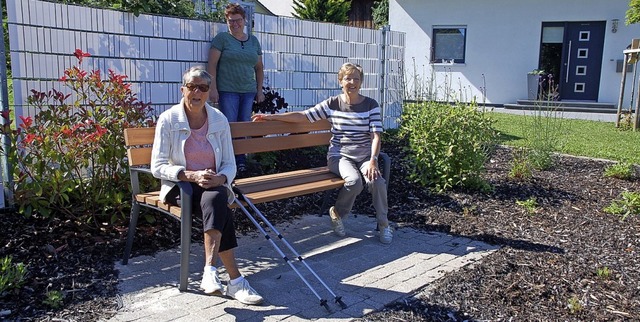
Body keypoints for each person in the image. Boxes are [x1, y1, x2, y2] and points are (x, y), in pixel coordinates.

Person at [151, 66, 263, 305]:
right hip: (181, 185)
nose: (197, 92)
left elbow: (229, 165)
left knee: (216, 198)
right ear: (183, 90)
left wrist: (221, 179)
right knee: (219, 204)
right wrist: (191, 175)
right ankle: (234, 281)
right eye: (192, 87)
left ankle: (211, 272)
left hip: (212, 185)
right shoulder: (169, 119)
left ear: (209, 92)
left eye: (203, 88)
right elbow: (157, 166)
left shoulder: (218, 119)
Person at [251, 62, 392, 244]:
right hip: (339, 156)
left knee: (377, 181)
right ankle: (338, 214)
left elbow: (375, 136)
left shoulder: (371, 105)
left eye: (356, 79)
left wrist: (373, 160)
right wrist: (272, 116)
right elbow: (304, 116)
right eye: (348, 78)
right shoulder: (332, 103)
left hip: (365, 157)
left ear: (361, 82)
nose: (352, 82)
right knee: (354, 182)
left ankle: (384, 224)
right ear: (340, 81)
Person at [207, 2, 264, 172]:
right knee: (229, 126)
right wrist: (213, 88)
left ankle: (241, 161)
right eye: (231, 21)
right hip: (228, 90)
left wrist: (259, 90)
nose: (235, 24)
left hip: (248, 91)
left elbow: (259, 67)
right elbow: (211, 65)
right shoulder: (222, 39)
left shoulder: (253, 41)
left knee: (244, 126)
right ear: (227, 21)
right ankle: (228, 161)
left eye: (238, 20)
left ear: (244, 20)